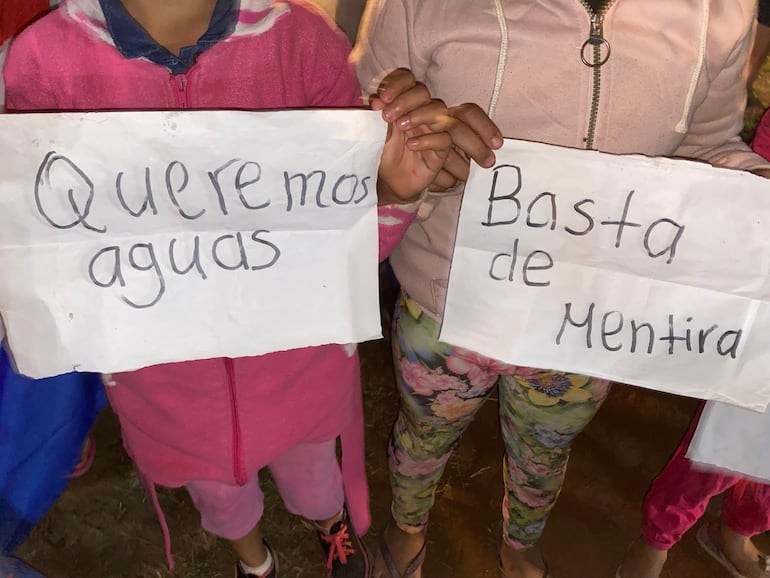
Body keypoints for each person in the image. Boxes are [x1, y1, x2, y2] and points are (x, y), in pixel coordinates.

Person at [2, 1, 452, 577]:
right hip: (166, 395)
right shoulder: (41, 65)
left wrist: (389, 192)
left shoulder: (304, 45)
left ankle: (329, 526)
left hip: (299, 375)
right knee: (219, 499)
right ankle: (253, 561)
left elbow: (345, 253)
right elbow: (49, 257)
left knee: (315, 477)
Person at [353, 0, 770, 576]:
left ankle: (521, 541)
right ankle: (407, 529)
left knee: (544, 452)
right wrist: (405, 159)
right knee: (422, 434)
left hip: (587, 328)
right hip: (443, 306)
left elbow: (706, 145)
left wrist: (754, 190)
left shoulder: (720, 11)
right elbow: (358, 137)